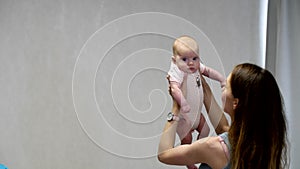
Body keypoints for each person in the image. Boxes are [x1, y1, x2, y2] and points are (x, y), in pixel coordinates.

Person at [158, 63, 289, 169]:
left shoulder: (212, 147)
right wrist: (199, 83)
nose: (223, 88)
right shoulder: (263, 147)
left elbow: (164, 154)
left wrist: (176, 106)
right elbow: (223, 128)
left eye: (225, 87)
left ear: (235, 103)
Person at [168, 35, 226, 169]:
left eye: (195, 58)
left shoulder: (196, 67)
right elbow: (174, 89)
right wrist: (182, 104)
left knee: (205, 130)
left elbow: (209, 72)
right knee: (186, 140)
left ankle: (198, 151)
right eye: (184, 59)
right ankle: (189, 162)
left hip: (197, 114)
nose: (191, 63)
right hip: (184, 116)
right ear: (174, 60)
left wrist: (221, 79)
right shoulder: (176, 72)